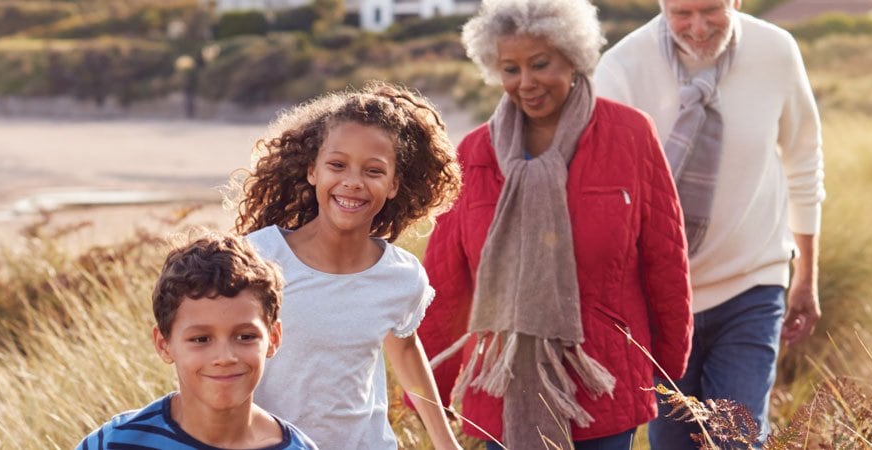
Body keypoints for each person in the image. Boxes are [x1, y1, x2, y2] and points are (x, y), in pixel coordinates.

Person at [415, 0, 694, 448]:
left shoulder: (630, 134)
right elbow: (446, 281)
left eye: (540, 64)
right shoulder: (473, 154)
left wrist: (666, 363)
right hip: (503, 383)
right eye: (510, 69)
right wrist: (430, 387)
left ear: (573, 57)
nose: (526, 83)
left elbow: (665, 256)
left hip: (604, 377)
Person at [593, 0, 826, 446]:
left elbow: (803, 159)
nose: (698, 28)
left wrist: (806, 274)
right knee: (673, 444)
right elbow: (601, 196)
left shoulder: (775, 51)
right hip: (659, 302)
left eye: (712, 10)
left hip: (752, 287)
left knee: (736, 439)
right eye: (682, 13)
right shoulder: (622, 68)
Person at [233, 81, 464, 450]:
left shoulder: (401, 277)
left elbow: (405, 350)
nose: (353, 182)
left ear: (393, 185)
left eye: (374, 171)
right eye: (337, 165)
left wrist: (446, 442)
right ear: (313, 171)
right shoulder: (257, 259)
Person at [73, 234, 318, 450]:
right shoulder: (116, 443)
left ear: (273, 339)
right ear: (163, 344)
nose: (224, 357)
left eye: (245, 337)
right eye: (201, 339)